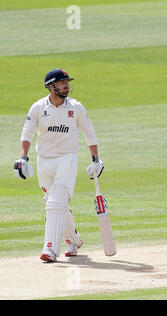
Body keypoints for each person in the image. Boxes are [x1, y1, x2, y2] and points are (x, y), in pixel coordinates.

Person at [14, 68, 104, 263]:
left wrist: (95, 159)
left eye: (67, 82)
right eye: (62, 83)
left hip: (67, 158)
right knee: (52, 202)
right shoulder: (38, 107)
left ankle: (50, 249)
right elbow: (27, 134)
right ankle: (73, 240)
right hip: (44, 160)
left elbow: (89, 133)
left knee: (57, 200)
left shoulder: (76, 107)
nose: (66, 86)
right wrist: (23, 157)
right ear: (51, 86)